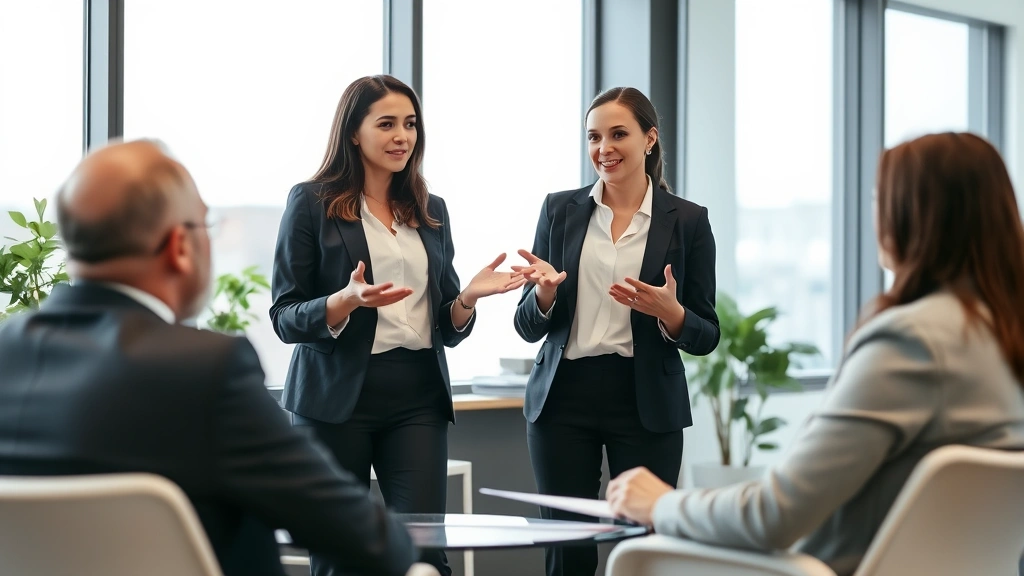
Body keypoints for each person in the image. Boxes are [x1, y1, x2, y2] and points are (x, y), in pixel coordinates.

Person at [606, 132, 1024, 576]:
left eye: (879, 197)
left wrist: (664, 505)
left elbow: (775, 514)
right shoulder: (1000, 334)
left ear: (911, 214)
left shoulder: (912, 341)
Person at [0, 140, 420, 576]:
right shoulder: (205, 372)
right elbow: (358, 534)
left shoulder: (6, 352)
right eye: (207, 225)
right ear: (179, 246)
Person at [270, 74, 523, 576]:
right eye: (386, 124)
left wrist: (467, 298)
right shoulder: (311, 202)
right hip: (335, 400)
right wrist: (342, 302)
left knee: (424, 550)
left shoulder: (430, 210)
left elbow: (446, 326)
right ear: (353, 133)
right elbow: (284, 316)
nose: (401, 136)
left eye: (410, 124)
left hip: (416, 397)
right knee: (341, 551)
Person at [512, 86, 720, 576]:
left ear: (649, 139)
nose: (603, 147)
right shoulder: (559, 209)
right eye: (594, 136)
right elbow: (526, 326)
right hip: (563, 397)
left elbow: (706, 332)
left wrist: (671, 313)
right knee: (567, 546)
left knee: (645, 545)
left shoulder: (688, 221)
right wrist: (542, 296)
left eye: (618, 134)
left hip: (644, 399)